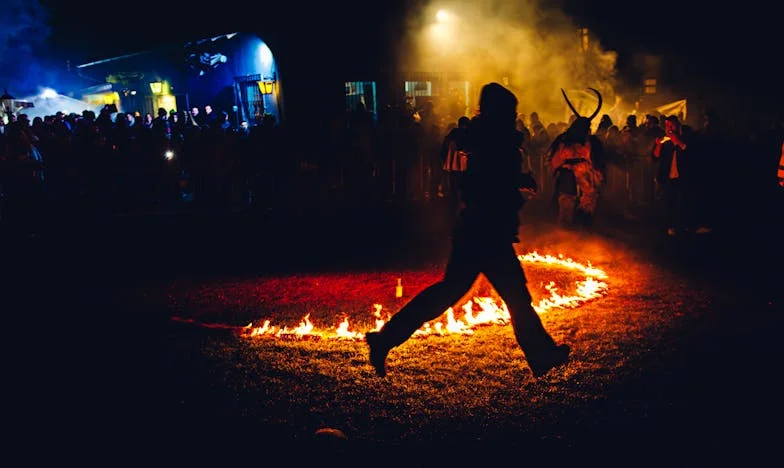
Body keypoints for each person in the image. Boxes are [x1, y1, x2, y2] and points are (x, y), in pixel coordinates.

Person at [365, 82, 570, 379]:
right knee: (505, 296)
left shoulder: (490, 139)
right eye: (510, 111)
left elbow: (490, 177)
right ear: (499, 112)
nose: (514, 116)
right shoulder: (494, 141)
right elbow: (485, 182)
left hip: (481, 229)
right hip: (486, 231)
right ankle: (542, 355)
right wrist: (515, 182)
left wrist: (516, 180)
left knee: (460, 293)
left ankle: (385, 339)